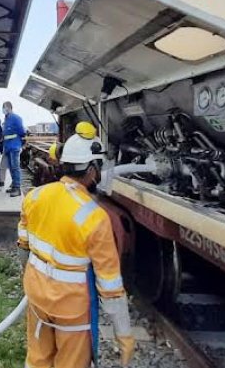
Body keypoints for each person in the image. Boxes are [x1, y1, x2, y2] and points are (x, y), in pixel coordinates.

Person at [17, 131, 136, 368]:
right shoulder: (95, 217)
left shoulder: (36, 196)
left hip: (37, 296)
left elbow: (23, 247)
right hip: (70, 310)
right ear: (92, 169)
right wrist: (123, 333)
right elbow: (110, 285)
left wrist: (34, 282)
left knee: (37, 360)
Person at [2, 101, 26, 197]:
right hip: (8, 146)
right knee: (11, 167)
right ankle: (14, 185)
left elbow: (21, 131)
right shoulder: (6, 119)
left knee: (15, 167)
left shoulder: (16, 118)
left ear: (9, 108)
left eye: (5, 108)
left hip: (14, 145)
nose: (4, 110)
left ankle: (17, 188)